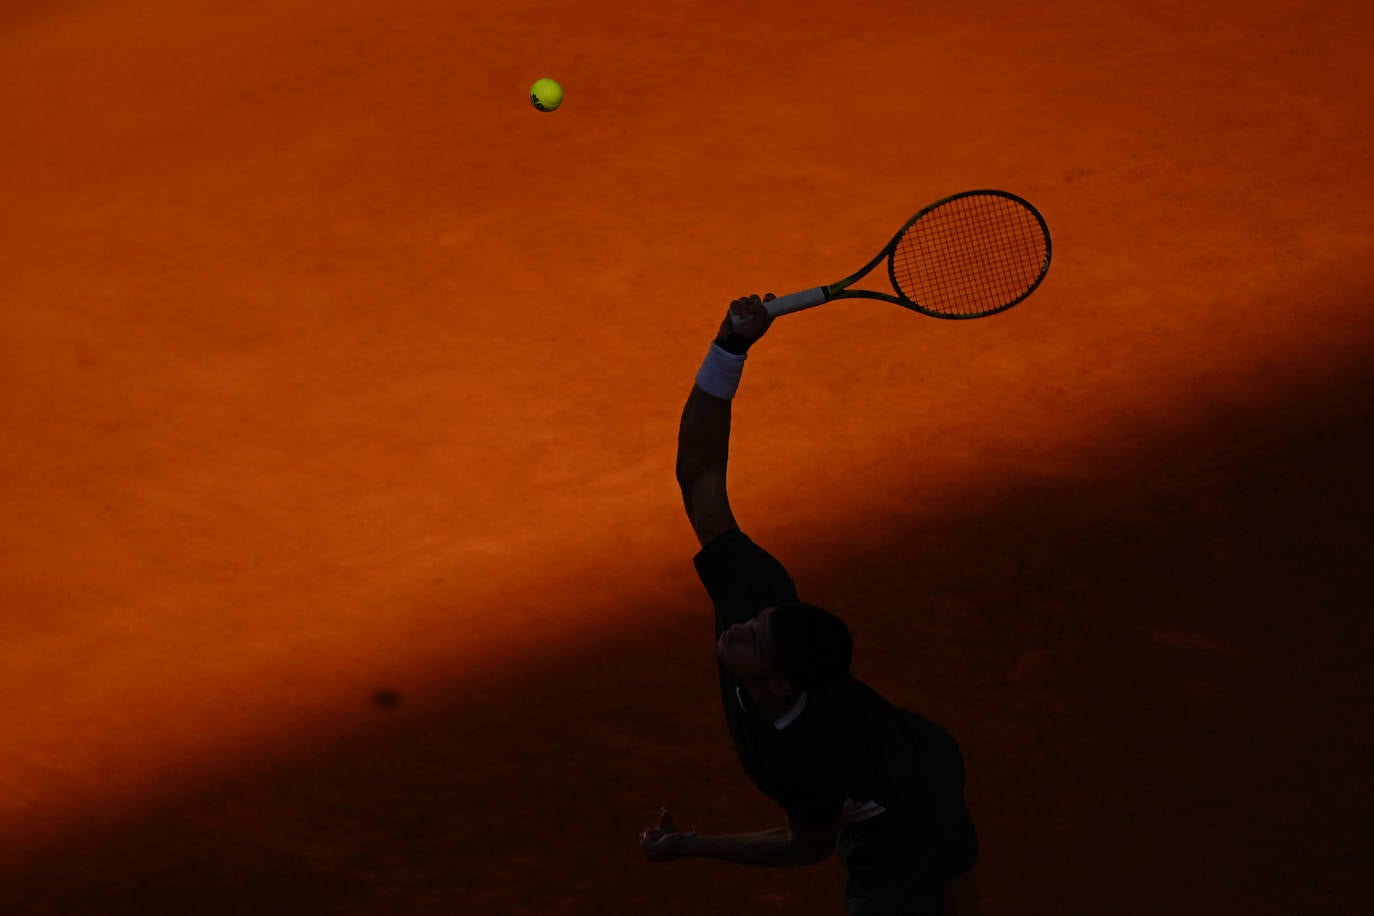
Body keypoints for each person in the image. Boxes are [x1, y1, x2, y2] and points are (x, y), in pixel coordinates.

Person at [642, 294, 983, 916]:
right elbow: (699, 473)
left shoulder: (797, 758)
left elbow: (805, 847)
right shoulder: (758, 596)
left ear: (775, 682)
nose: (738, 627)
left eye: (753, 638)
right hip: (912, 750)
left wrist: (692, 846)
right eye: (754, 623)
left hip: (901, 822)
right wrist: (730, 347)